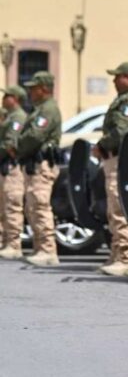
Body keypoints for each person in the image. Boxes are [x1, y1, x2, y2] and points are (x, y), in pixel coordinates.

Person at [94, 62, 128, 277]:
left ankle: (125, 259)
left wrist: (101, 144)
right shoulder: (123, 100)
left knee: (120, 208)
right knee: (114, 210)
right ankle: (117, 255)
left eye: (117, 77)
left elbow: (122, 130)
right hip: (115, 159)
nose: (114, 81)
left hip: (123, 159)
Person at [11, 72, 62, 267]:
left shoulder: (48, 110)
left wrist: (17, 147)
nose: (30, 92)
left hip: (42, 166)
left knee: (40, 207)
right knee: (33, 208)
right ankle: (41, 248)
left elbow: (35, 136)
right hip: (34, 165)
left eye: (34, 88)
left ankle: (48, 250)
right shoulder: (39, 109)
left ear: (44, 89)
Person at [0, 86, 28, 259]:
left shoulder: (18, 117)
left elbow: (10, 143)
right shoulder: (10, 116)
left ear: (16, 98)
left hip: (12, 167)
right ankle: (6, 242)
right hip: (5, 166)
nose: (4, 98)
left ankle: (14, 244)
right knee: (4, 207)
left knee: (12, 205)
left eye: (8, 96)